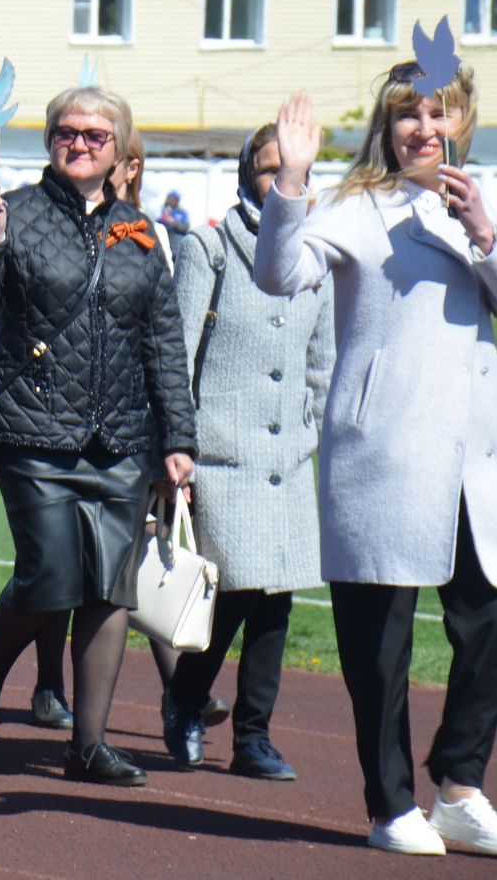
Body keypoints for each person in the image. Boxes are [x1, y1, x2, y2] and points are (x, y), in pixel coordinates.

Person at [253, 73, 497, 857]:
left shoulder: (483, 204)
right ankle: (391, 803)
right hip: (387, 450)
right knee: (379, 642)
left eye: (438, 112)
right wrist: (292, 180)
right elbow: (279, 276)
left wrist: (485, 236)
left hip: (475, 455)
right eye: (405, 116)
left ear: (465, 119)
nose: (422, 129)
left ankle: (459, 785)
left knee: (489, 621)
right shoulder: (360, 206)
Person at [0, 85, 196, 787]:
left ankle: (88, 745)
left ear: (119, 150)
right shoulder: (12, 214)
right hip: (33, 429)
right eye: (67, 131)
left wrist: (177, 436)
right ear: (49, 139)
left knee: (109, 591)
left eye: (96, 134)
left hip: (119, 438)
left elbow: (163, 342)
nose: (79, 143)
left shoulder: (142, 233)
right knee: (50, 577)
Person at [163, 122, 333, 780]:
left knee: (277, 599)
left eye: (292, 168)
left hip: (288, 456)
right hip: (220, 452)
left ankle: (253, 736)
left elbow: (324, 360)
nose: (282, 177)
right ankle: (184, 698)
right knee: (232, 589)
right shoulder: (210, 245)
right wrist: (179, 444)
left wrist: (306, 431)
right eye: (269, 167)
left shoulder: (316, 256)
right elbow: (177, 352)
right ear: (246, 175)